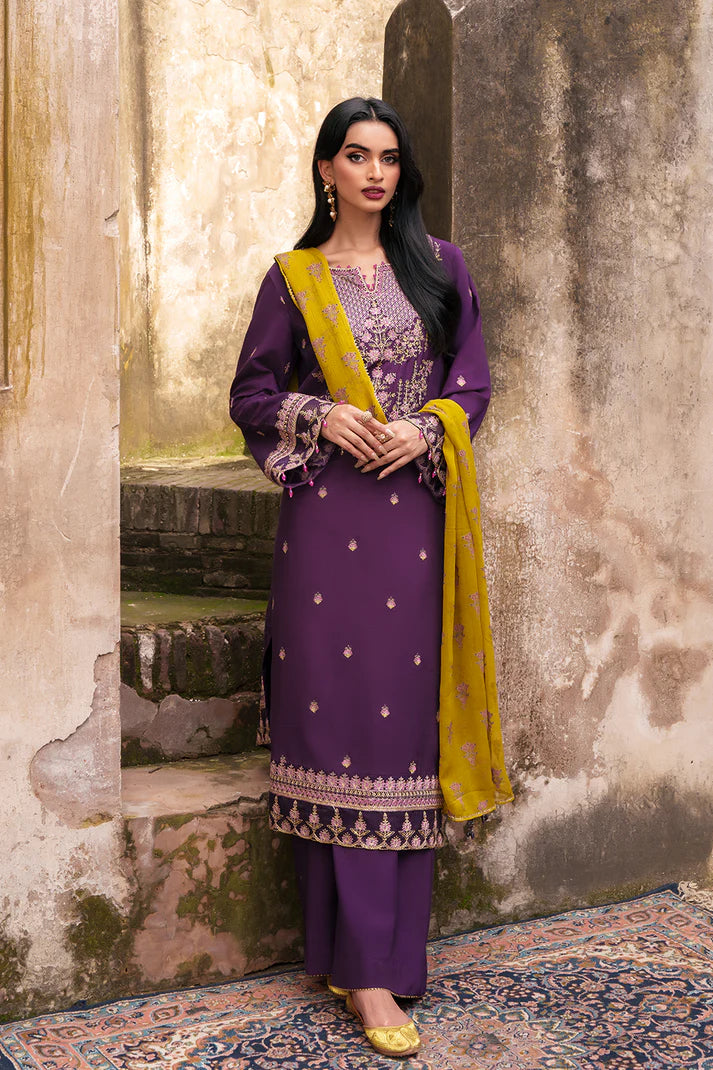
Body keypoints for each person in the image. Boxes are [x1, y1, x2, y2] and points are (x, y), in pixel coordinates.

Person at [229, 96, 512, 1060]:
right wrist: (321, 415)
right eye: (356, 156)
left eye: (388, 158)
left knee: (400, 733)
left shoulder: (441, 267)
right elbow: (250, 393)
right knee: (340, 726)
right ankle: (361, 972)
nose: (375, 173)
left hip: (416, 526)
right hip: (326, 525)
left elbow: (472, 381)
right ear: (327, 170)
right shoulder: (293, 278)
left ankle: (375, 955)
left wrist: (426, 427)